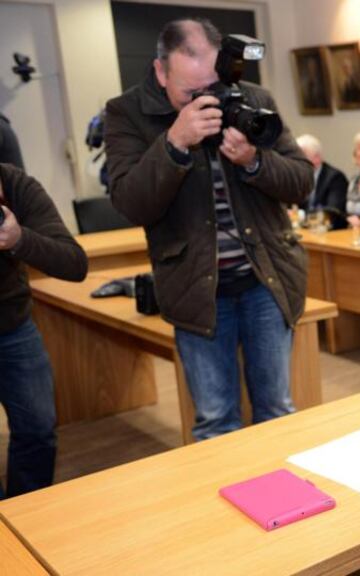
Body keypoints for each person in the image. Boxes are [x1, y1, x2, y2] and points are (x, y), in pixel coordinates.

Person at [104, 18, 313, 441]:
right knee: (216, 422)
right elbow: (130, 203)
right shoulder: (127, 113)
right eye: (191, 93)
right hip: (195, 290)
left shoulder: (252, 98)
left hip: (264, 280)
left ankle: (284, 504)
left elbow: (301, 182)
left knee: (278, 411)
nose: (208, 100)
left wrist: (255, 161)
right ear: (161, 72)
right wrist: (173, 143)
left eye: (213, 86)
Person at [0, 163, 87, 498]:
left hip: (12, 325)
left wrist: (19, 239)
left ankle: (25, 513)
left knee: (38, 430)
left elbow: (74, 263)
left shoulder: (15, 184)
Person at [296, 134, 348, 229]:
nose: (296, 161)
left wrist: (302, 215)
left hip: (329, 232)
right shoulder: (296, 176)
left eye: (302, 156)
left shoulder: (335, 178)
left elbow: (332, 211)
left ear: (317, 158)